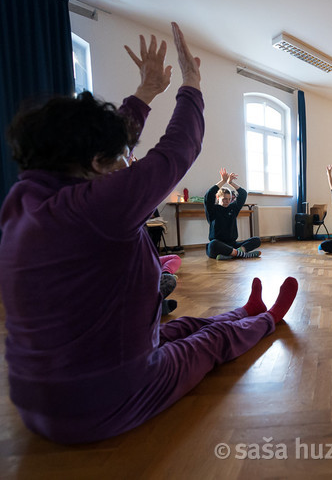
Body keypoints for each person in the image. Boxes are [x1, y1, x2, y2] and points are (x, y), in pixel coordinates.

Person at [0, 23, 299, 444]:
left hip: (38, 399)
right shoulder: (96, 205)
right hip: (102, 401)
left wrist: (144, 94)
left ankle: (244, 309)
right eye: (121, 157)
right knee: (209, 343)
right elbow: (179, 148)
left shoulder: (23, 199)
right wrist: (191, 86)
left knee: (183, 326)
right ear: (97, 163)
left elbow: (99, 148)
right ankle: (267, 320)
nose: (127, 162)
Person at [204, 168, 261, 259]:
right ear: (218, 198)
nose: (227, 201)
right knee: (212, 244)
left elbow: (243, 194)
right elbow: (209, 194)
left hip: (233, 245)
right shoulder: (212, 210)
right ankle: (241, 254)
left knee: (257, 240)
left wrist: (230, 183)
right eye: (224, 199)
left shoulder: (233, 208)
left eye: (229, 199)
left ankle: (233, 254)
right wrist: (223, 181)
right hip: (219, 245)